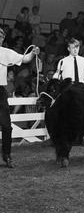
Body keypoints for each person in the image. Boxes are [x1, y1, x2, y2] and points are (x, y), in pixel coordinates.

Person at [0, 27, 40, 168]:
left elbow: (25, 58)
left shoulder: (6, 52)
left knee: (6, 126)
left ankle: (7, 156)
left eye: (1, 36)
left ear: (3, 38)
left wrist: (33, 53)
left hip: (0, 92)